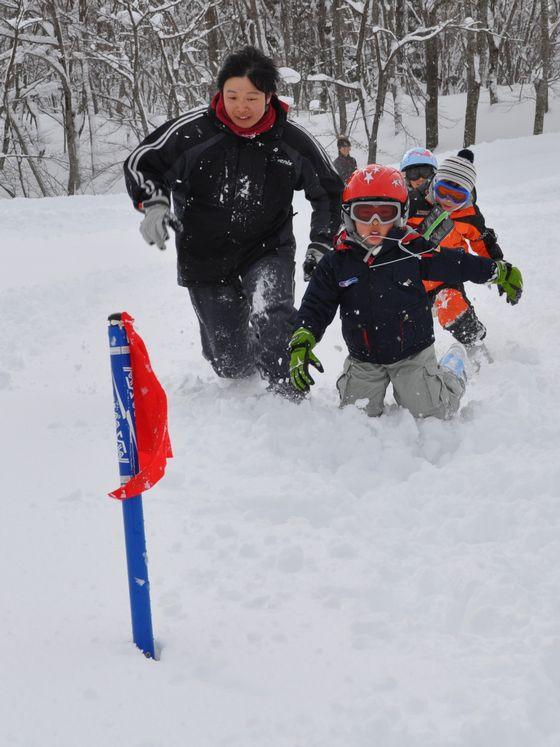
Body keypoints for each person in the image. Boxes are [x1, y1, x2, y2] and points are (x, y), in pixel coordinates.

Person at [124, 46, 343, 398]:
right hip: (205, 253)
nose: (242, 107)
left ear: (269, 97)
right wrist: (154, 203)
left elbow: (330, 191)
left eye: (252, 97)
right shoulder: (193, 133)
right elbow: (143, 162)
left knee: (274, 318)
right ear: (220, 93)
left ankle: (289, 402)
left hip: (267, 248)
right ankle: (244, 346)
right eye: (233, 96)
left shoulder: (290, 139)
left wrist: (321, 242)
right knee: (231, 363)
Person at [287, 165, 522, 419]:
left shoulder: (412, 250)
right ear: (348, 215)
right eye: (365, 213)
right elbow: (316, 303)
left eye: (385, 213)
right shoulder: (337, 261)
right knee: (356, 417)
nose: (375, 224)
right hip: (364, 358)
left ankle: (452, 369)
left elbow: (455, 263)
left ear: (400, 216)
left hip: (412, 354)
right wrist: (304, 335)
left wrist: (495, 270)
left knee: (433, 411)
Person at [406, 149, 506, 349]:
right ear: (435, 183)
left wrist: (498, 266)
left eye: (457, 197)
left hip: (446, 276)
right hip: (411, 277)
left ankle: (475, 346)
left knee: (452, 306)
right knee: (401, 324)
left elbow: (483, 242)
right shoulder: (413, 203)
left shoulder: (469, 215)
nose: (448, 201)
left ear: (467, 196)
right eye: (443, 192)